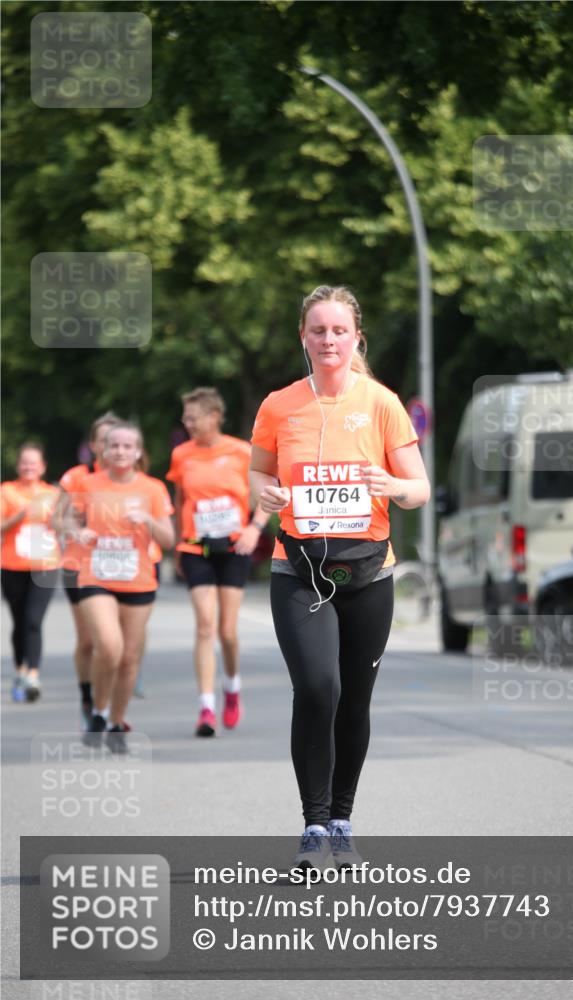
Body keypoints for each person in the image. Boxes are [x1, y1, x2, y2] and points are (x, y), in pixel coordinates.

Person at [250, 285, 430, 870]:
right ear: (303, 337)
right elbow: (256, 475)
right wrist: (266, 494)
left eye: (339, 331)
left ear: (357, 338)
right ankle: (313, 825)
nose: (329, 340)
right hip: (298, 569)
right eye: (318, 330)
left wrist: (391, 486)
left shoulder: (381, 403)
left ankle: (343, 819)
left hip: (370, 573)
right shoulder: (279, 405)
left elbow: (418, 490)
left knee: (354, 700)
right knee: (318, 687)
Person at [167, 388, 269, 737]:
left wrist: (254, 530)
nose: (187, 423)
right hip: (197, 548)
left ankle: (233, 688)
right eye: (185, 417)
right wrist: (179, 544)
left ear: (214, 417)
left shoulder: (241, 452)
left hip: (234, 548)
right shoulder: (182, 455)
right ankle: (206, 707)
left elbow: (267, 497)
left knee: (227, 631)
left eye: (192, 417)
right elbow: (180, 499)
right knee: (205, 627)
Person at [76, 422, 174, 750]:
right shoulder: (87, 484)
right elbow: (61, 518)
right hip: (96, 576)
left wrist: (148, 520)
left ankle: (116, 722)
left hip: (138, 578)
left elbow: (169, 539)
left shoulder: (153, 489)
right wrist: (77, 532)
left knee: (130, 658)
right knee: (109, 647)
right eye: (113, 445)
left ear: (138, 452)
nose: (119, 451)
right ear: (102, 449)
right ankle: (98, 711)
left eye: (127, 446)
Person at [56, 411, 121, 728]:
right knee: (88, 641)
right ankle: (88, 696)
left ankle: (113, 702)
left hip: (124, 567)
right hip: (81, 565)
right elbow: (58, 518)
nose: (111, 447)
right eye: (104, 440)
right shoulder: (78, 477)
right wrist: (76, 529)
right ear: (94, 445)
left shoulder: (131, 478)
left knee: (119, 641)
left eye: (116, 440)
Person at [1, 443, 60, 702]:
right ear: (18, 466)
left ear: (43, 467)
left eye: (33, 463)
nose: (28, 467)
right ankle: (20, 668)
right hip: (13, 564)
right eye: (24, 463)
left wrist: (56, 522)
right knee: (19, 620)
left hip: (45, 564)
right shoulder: (7, 491)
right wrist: (21, 515)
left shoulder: (54, 494)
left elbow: (63, 525)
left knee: (33, 620)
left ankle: (33, 674)